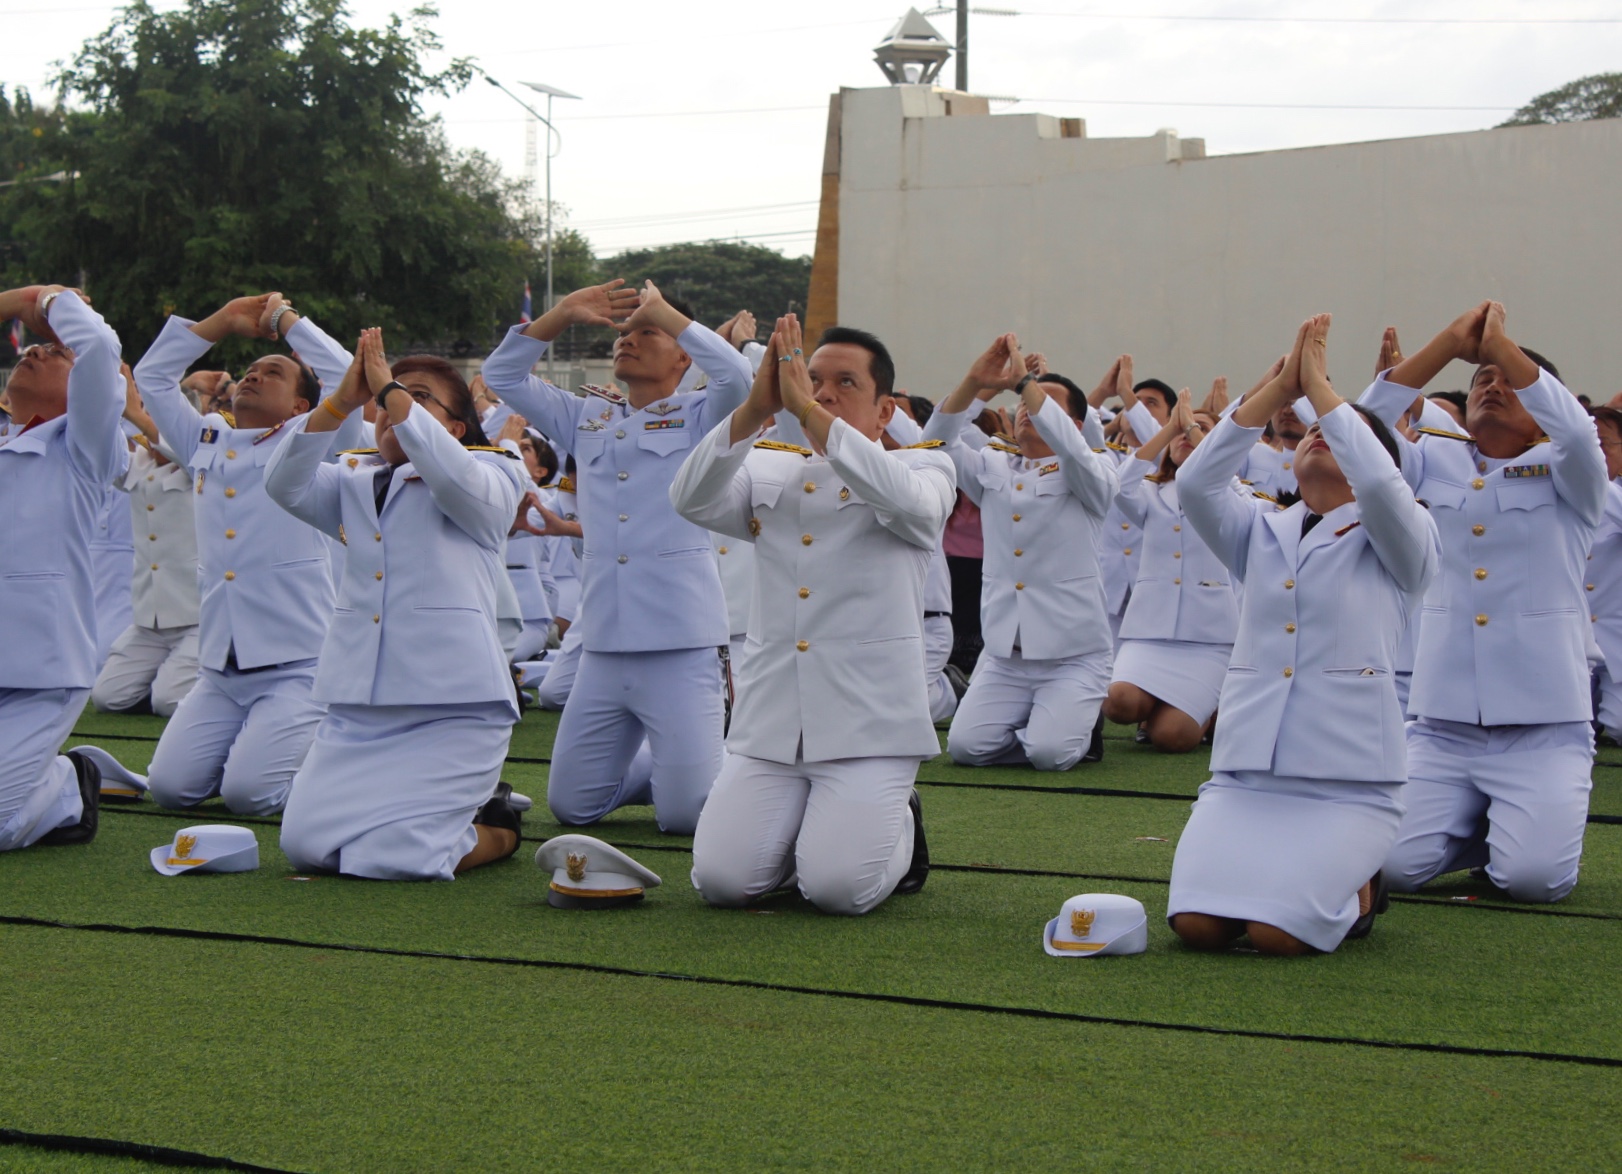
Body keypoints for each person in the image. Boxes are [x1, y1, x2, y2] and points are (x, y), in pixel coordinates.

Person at [1168, 315, 1439, 954]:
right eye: (1313, 428)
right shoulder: (1261, 528)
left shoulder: (1403, 535)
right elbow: (1196, 482)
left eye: (1336, 432)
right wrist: (1280, 389)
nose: (1319, 431)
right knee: (1198, 927)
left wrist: (1322, 390)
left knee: (1277, 937)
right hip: (1247, 773)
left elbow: (1382, 486)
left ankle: (1363, 886)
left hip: (1348, 781)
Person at [672, 316, 952, 914]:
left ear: (885, 411)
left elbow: (915, 509)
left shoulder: (924, 467)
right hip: (774, 721)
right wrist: (755, 409)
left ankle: (899, 825)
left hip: (868, 726)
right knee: (722, 883)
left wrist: (809, 411)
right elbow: (689, 499)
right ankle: (813, 837)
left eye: (845, 382)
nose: (822, 392)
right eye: (813, 379)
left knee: (838, 891)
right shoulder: (772, 465)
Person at [480, 279, 751, 835]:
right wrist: (562, 313)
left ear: (683, 355)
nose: (627, 340)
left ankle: (703, 770)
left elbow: (738, 377)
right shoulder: (587, 417)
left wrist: (666, 312)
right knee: (573, 806)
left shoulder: (702, 414)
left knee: (686, 817)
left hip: (680, 642)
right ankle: (675, 768)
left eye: (647, 332)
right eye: (623, 333)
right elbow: (503, 376)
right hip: (604, 642)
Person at [1360, 302, 1607, 904]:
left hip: (1543, 724)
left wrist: (1499, 347)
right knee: (1390, 870)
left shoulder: (1567, 468)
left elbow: (1578, 431)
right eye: (1481, 380)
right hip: (1444, 722)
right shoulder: (1433, 459)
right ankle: (1487, 826)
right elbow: (1362, 432)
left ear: (1543, 407)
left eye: (1508, 381)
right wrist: (1447, 345)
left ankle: (1517, 829)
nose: (1492, 386)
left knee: (1533, 882)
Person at [267, 330, 530, 878]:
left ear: (455, 429)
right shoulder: (353, 479)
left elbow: (460, 482)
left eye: (417, 396)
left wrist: (388, 388)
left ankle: (499, 827)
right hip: (360, 705)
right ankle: (441, 818)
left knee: (396, 858)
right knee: (306, 847)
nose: (391, 405)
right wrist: (341, 400)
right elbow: (282, 483)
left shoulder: (495, 472)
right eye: (385, 398)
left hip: (454, 707)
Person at [133, 293, 360, 815]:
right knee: (170, 789)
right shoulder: (207, 440)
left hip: (297, 664)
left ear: (302, 405)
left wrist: (284, 320)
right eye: (250, 371)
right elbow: (153, 377)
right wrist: (222, 321)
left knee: (249, 796)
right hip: (220, 667)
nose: (253, 376)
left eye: (273, 372)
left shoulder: (319, 437)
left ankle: (350, 761)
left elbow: (345, 375)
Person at [927, 335, 1118, 771]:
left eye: (1044, 404)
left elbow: (1076, 451)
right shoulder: (994, 464)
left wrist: (1028, 383)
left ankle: (1074, 728)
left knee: (1051, 755)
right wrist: (976, 384)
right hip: (1006, 656)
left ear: (1074, 424)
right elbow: (935, 443)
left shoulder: (1093, 472)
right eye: (1024, 403)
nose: (1028, 408)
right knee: (966, 748)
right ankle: (1048, 725)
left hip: (1073, 654)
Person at [0, 284, 126, 849]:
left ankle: (69, 783)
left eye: (56, 352)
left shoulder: (83, 447)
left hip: (40, 671)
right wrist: (15, 299)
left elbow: (98, 346)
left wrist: (49, 299)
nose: (35, 349)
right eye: (35, 345)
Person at [1102, 395, 1241, 752]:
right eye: (1183, 430)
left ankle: (1209, 711)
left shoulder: (1229, 492)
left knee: (1173, 738)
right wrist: (1169, 430)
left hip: (1209, 638)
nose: (1187, 435)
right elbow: (1120, 485)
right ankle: (1155, 708)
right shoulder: (1152, 491)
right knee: (1118, 704)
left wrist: (1195, 433)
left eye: (1201, 430)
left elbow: (1238, 498)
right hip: (1149, 632)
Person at [90, 373, 201, 717]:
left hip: (198, 617)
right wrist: (109, 398)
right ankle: (169, 679)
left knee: (169, 702)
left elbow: (184, 450)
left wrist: (137, 412)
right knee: (108, 697)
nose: (145, 427)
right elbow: (101, 453)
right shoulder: (141, 463)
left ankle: (210, 681)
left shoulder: (202, 463)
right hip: (150, 619)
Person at [1589, 406, 1622, 743]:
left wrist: (1590, 471)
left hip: (1616, 643)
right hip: (1570, 644)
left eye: (1602, 443)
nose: (1594, 453)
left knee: (1619, 726)